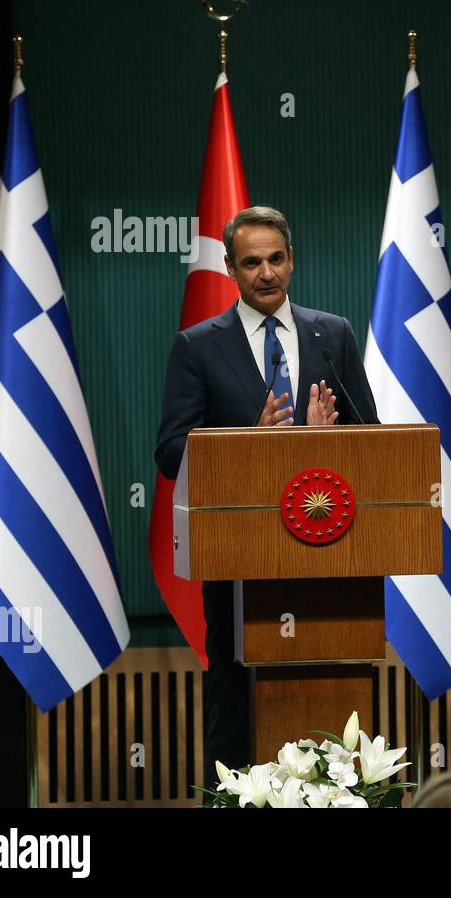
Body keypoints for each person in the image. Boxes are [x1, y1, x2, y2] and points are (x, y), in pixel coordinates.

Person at [154, 206, 379, 788]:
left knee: (333, 702)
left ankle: (336, 796)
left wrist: (328, 444)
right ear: (230, 268)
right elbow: (172, 452)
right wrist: (249, 445)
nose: (266, 273)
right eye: (251, 262)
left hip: (327, 564)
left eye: (275, 259)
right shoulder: (199, 347)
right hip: (237, 568)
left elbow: (372, 440)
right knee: (234, 704)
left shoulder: (333, 336)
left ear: (292, 260)